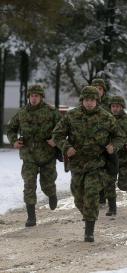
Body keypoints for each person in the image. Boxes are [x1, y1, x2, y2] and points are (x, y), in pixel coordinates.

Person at [52, 86, 123, 242]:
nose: (89, 103)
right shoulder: (71, 116)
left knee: (91, 194)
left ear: (97, 100)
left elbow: (119, 136)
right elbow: (57, 134)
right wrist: (66, 147)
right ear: (82, 100)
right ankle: (88, 215)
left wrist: (113, 146)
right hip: (77, 164)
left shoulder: (106, 117)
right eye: (87, 100)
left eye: (92, 100)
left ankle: (89, 230)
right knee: (78, 198)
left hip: (97, 164)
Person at [7, 84, 61, 227]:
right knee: (29, 185)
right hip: (28, 156)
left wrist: (55, 140)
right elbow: (11, 128)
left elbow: (63, 129)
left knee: (46, 184)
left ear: (41, 97)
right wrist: (14, 141)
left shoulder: (51, 112)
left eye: (37, 96)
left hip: (47, 155)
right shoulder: (22, 113)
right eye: (32, 96)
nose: (34, 98)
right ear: (29, 97)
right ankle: (31, 217)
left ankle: (51, 194)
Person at [105, 96, 127, 216]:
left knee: (123, 184)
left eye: (117, 106)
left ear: (122, 107)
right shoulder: (104, 119)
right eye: (113, 106)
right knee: (108, 183)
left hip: (125, 158)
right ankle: (112, 208)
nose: (115, 109)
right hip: (109, 157)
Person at [91, 78, 111, 205]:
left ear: (104, 90)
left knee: (105, 170)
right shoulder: (87, 102)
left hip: (106, 142)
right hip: (91, 142)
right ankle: (98, 194)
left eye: (100, 89)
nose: (97, 91)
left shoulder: (110, 103)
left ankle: (103, 193)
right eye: (95, 88)